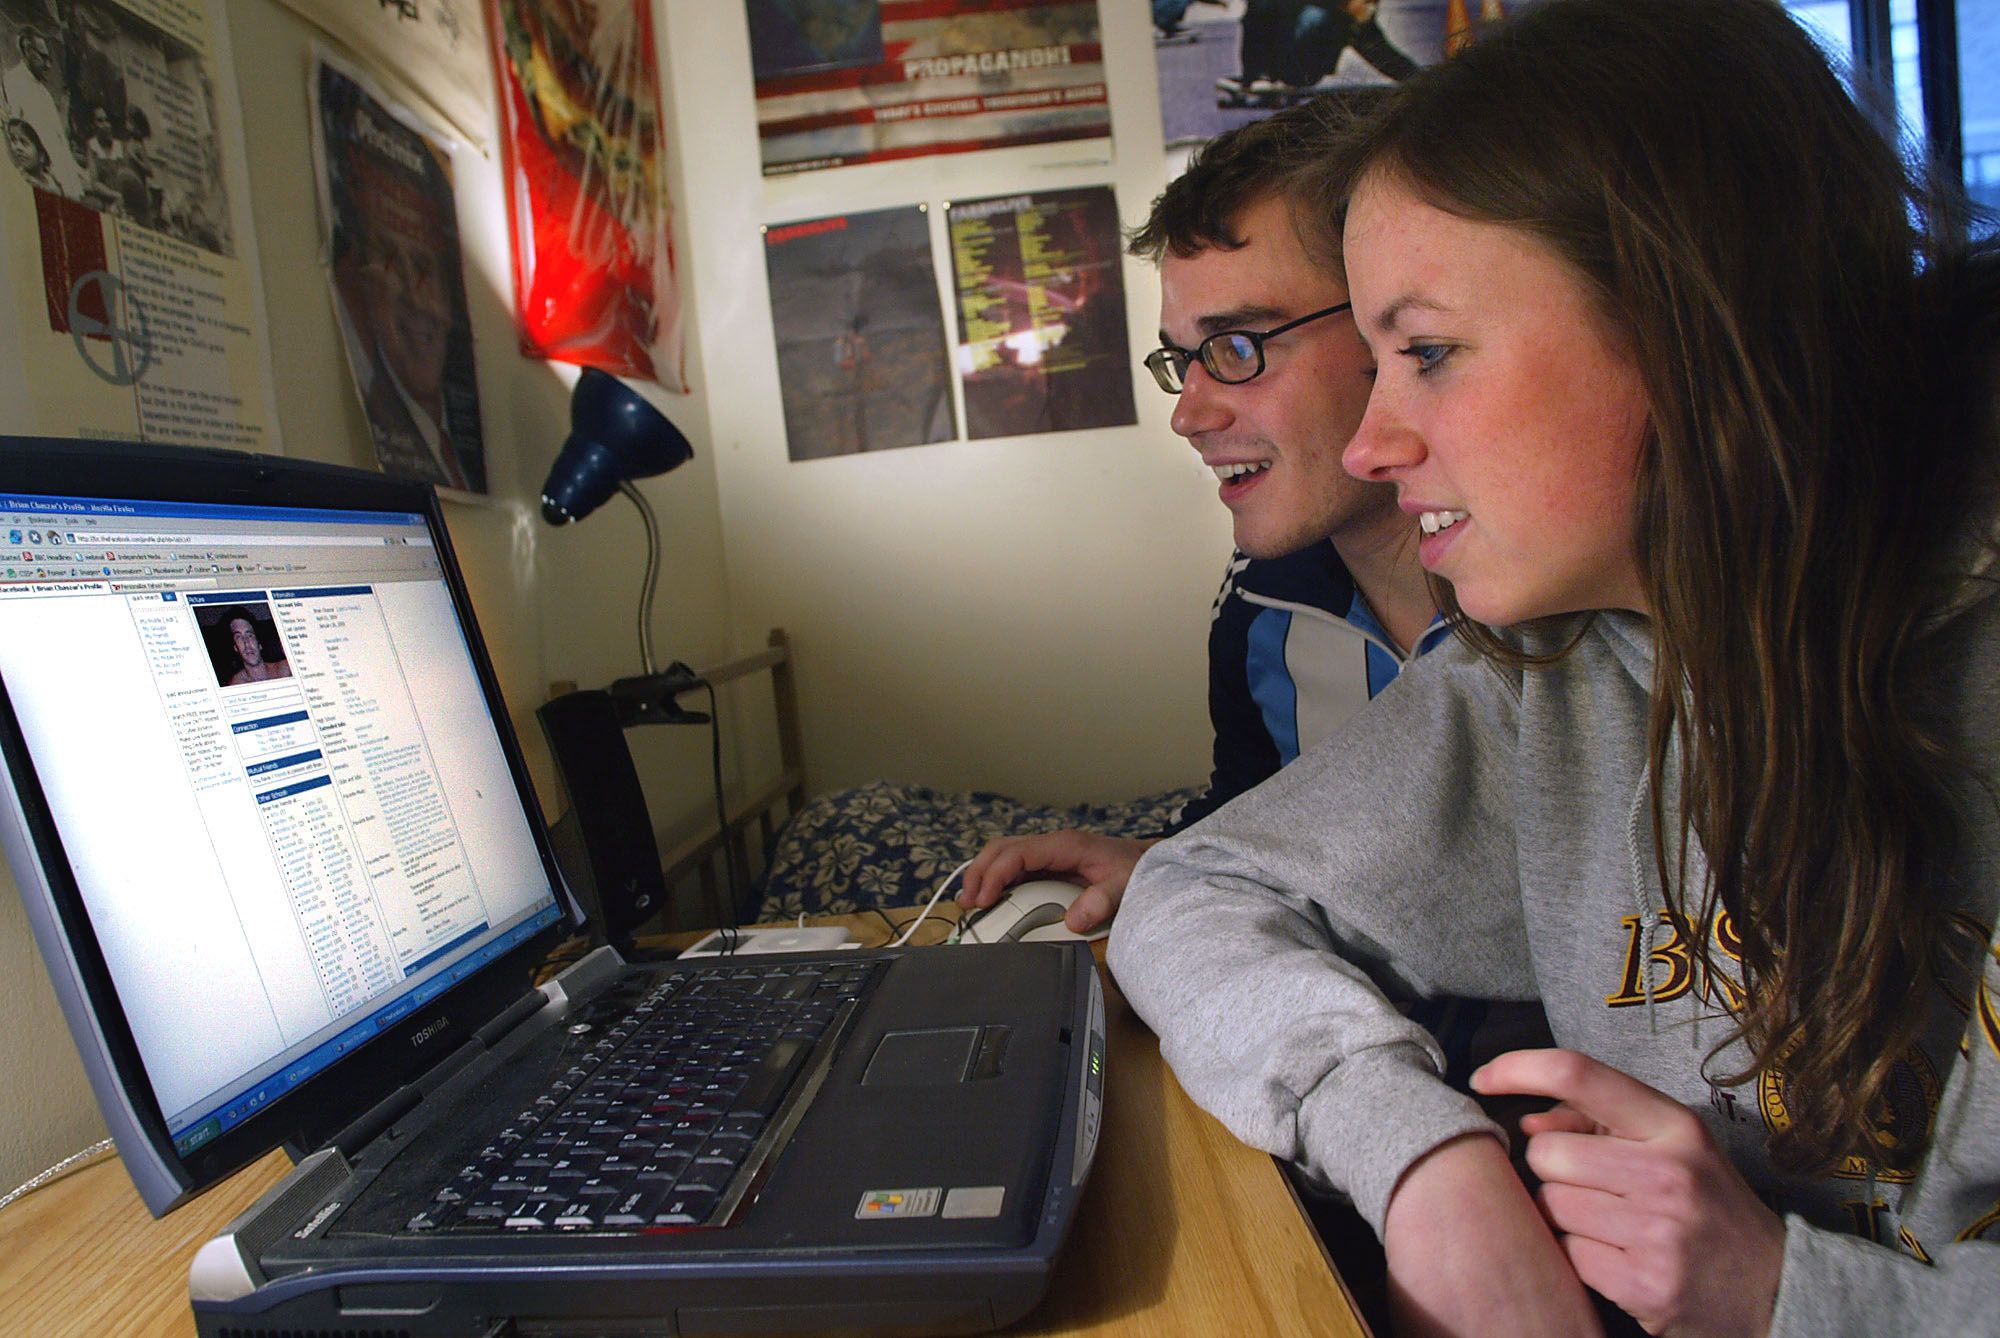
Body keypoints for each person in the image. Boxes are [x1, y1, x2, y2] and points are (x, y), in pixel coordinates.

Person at [1111, 0, 2000, 1333]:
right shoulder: (1548, 675)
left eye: (1428, 353)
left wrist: (1783, 1292)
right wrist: (1425, 1160)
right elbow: (1194, 891)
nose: (1372, 443)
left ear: (1693, 325)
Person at [958, 94, 1444, 935]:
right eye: (1182, 360)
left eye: (1237, 346)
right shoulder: (1258, 601)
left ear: (1393, 329)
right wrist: (1156, 860)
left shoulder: (1565, 588)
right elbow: (1253, 826)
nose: (1188, 415)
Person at [1217, 0, 1419, 104]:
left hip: (1305, 67)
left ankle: (1268, 75)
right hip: (1281, 54)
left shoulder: (1340, 16)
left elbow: (1374, 47)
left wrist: (1417, 79)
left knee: (1319, 18)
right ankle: (1259, 74)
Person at [0, 28, 82, 196]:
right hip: (41, 182)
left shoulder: (44, 92)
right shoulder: (13, 82)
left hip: (62, 181)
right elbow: (13, 138)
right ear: (28, 51)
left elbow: (58, 139)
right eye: (43, 57)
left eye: (49, 59)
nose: (48, 65)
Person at [220, 608, 291, 685]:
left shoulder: (286, 669)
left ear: (259, 644)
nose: (246, 643)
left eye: (250, 635)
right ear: (236, 648)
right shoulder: (236, 685)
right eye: (239, 637)